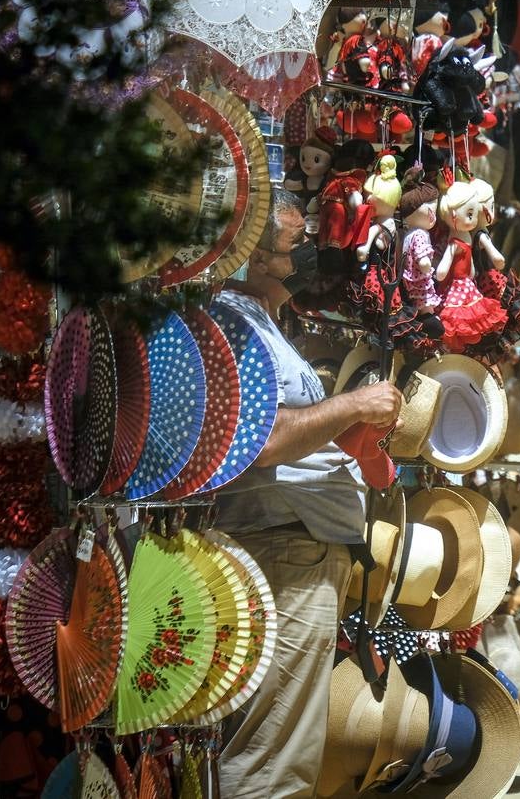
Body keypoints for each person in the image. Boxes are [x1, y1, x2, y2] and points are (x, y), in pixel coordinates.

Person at [216, 188, 404, 798]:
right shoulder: (232, 320)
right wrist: (351, 403)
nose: (308, 252)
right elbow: (260, 441)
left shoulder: (258, 322)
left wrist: (349, 428)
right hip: (281, 550)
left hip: (295, 546)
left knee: (278, 743)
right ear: (254, 252)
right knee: (273, 750)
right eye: (295, 243)